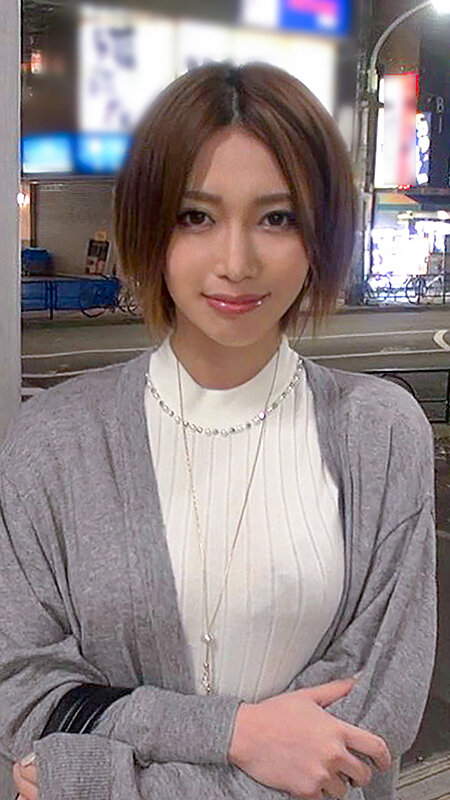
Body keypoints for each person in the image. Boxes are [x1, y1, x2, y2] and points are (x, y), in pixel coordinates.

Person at [2, 61, 436, 800]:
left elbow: (367, 724)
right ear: (149, 225)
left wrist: (99, 784)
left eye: (278, 218)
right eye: (195, 217)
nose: (236, 263)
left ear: (320, 233)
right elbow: (21, 692)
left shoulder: (381, 434)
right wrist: (238, 735)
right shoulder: (53, 442)